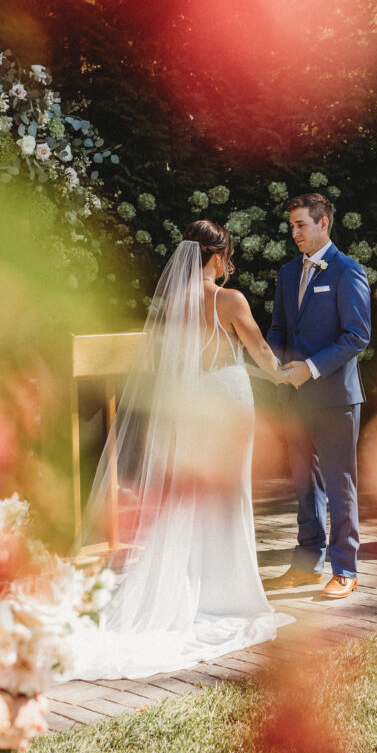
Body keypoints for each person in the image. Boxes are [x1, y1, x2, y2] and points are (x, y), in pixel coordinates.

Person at [70, 221, 293, 680]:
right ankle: (228, 595)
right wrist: (280, 374)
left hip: (190, 404)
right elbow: (259, 350)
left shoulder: (174, 302)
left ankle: (189, 588)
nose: (228, 264)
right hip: (228, 402)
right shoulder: (229, 300)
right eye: (227, 256)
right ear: (216, 256)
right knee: (228, 495)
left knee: (189, 494)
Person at [265, 193, 371, 599]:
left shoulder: (348, 271)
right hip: (293, 399)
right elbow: (278, 328)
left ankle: (345, 568)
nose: (294, 233)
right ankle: (307, 565)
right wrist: (274, 362)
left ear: (323, 224)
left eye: (300, 225)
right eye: (291, 226)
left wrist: (308, 368)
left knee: (340, 483)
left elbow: (357, 335)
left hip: (335, 398)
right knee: (303, 484)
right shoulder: (288, 273)